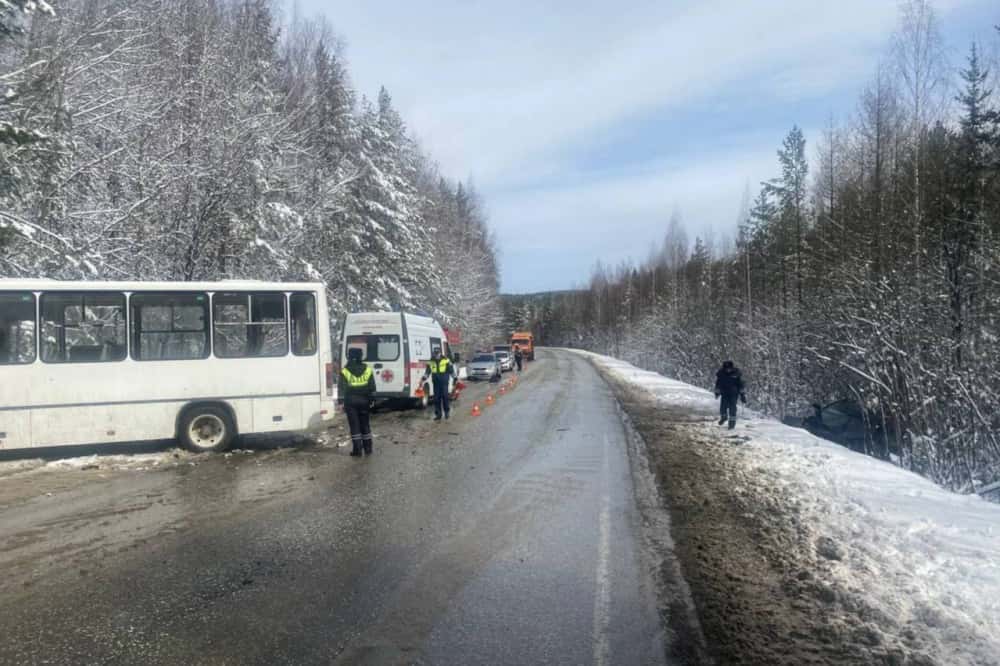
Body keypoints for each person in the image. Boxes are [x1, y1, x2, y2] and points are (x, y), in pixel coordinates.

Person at [339, 348, 376, 456]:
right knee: (365, 425)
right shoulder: (367, 369)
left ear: (349, 356)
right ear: (361, 356)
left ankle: (357, 450)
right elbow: (372, 387)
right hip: (364, 400)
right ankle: (368, 449)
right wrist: (372, 400)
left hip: (350, 402)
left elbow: (342, 388)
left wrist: (341, 402)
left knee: (354, 426)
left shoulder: (345, 370)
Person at [424, 347, 456, 421]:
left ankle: (447, 413)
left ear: (440, 353)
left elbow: (451, 370)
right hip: (436, 382)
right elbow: (427, 371)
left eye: (437, 353)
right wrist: (424, 378)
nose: (436, 355)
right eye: (435, 354)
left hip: (444, 382)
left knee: (445, 397)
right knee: (436, 399)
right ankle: (438, 414)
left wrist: (455, 377)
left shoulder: (446, 360)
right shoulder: (431, 361)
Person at [714, 360, 746, 430]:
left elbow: (741, 386)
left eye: (729, 368)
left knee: (732, 409)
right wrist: (717, 392)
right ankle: (724, 417)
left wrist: (742, 395)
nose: (728, 370)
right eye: (726, 368)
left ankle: (731, 424)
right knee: (723, 408)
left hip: (734, 394)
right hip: (724, 393)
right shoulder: (721, 374)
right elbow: (718, 384)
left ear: (732, 368)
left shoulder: (736, 374)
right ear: (724, 368)